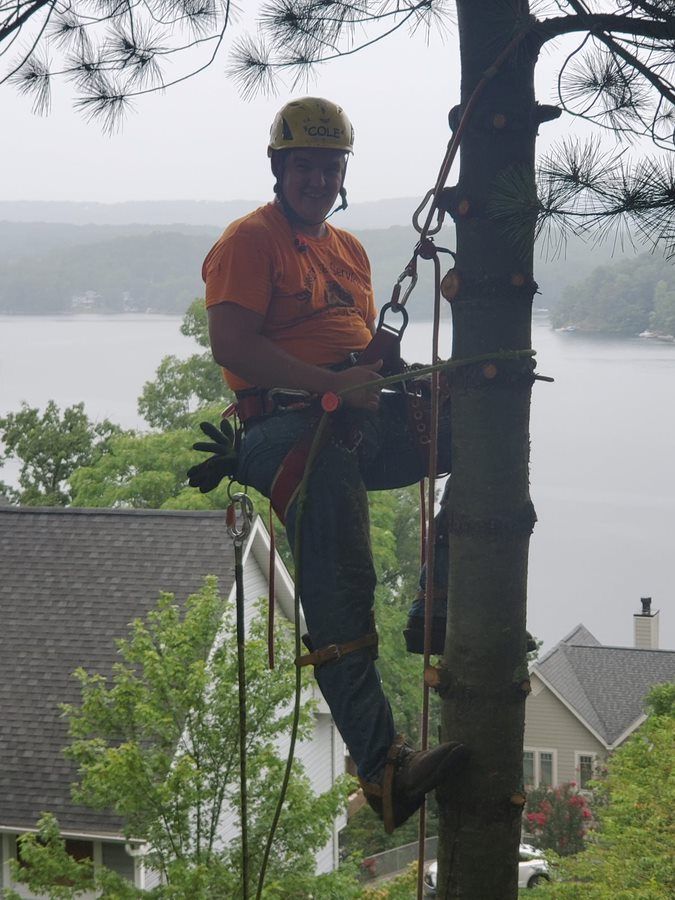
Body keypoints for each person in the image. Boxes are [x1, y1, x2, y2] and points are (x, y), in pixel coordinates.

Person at [202, 97, 466, 833]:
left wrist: (402, 371)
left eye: (329, 165)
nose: (317, 177)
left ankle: (436, 599)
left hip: (353, 409)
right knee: (341, 570)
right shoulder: (249, 242)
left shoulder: (346, 249)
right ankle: (383, 771)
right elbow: (234, 346)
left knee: (471, 424)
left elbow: (352, 344)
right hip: (280, 425)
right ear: (281, 169)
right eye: (305, 166)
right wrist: (328, 384)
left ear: (343, 172)